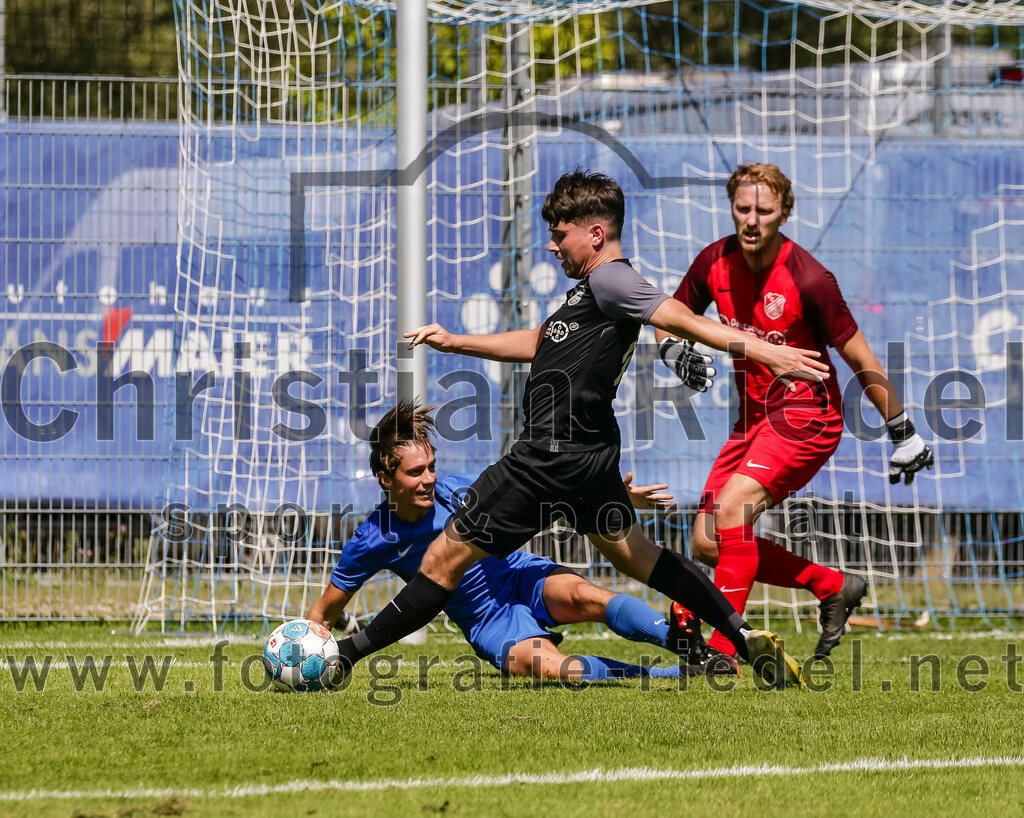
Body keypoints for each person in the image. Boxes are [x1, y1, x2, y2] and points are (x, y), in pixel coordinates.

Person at [334, 169, 834, 689]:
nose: (552, 246)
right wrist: (454, 341)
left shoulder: (611, 278)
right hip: (590, 459)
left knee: (441, 560)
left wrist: (767, 351)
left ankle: (345, 656)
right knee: (642, 558)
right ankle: (740, 632)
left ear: (595, 233)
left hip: (546, 459)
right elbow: (538, 341)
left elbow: (682, 317)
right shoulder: (587, 294)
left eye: (559, 234)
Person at [655, 162, 933, 664]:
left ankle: (724, 650)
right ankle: (830, 585)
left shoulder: (809, 278)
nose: (752, 219)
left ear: (784, 212)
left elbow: (861, 360)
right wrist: (674, 352)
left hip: (807, 415)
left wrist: (903, 430)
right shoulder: (712, 262)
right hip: (753, 421)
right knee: (705, 542)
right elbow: (666, 318)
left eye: (764, 209)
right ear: (731, 209)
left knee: (733, 507)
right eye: (743, 208)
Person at [309, 401, 696, 681]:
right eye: (415, 472)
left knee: (588, 596)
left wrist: (620, 499)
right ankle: (666, 675)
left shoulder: (459, 492)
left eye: (432, 466)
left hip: (520, 577)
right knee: (556, 669)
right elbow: (324, 612)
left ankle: (693, 649)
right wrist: (305, 654)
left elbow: (546, 494)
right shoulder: (372, 538)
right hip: (487, 622)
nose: (429, 479)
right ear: (385, 478)